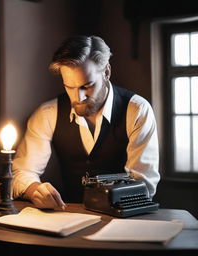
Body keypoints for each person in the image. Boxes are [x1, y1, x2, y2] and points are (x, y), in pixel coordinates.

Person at [12, 35, 160, 210]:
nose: (78, 97)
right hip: (69, 220)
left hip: (124, 218)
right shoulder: (47, 114)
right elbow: (21, 172)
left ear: (106, 72)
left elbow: (144, 185)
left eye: (87, 86)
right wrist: (33, 189)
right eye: (69, 87)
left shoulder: (137, 110)